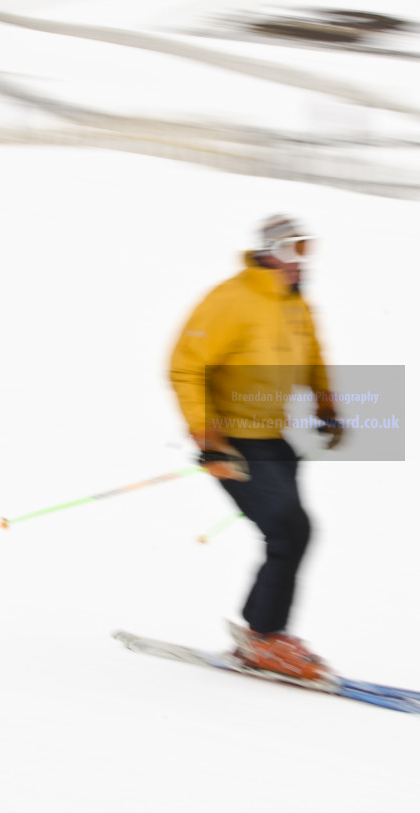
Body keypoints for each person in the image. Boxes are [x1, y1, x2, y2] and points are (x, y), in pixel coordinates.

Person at [169, 215, 344, 681]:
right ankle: (265, 639)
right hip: (235, 441)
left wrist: (326, 404)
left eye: (307, 250)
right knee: (290, 530)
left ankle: (263, 636)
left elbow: (312, 357)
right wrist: (209, 441)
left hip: (276, 438)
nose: (301, 261)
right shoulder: (230, 300)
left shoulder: (295, 304)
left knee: (291, 534)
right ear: (270, 251)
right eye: (293, 250)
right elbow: (184, 367)